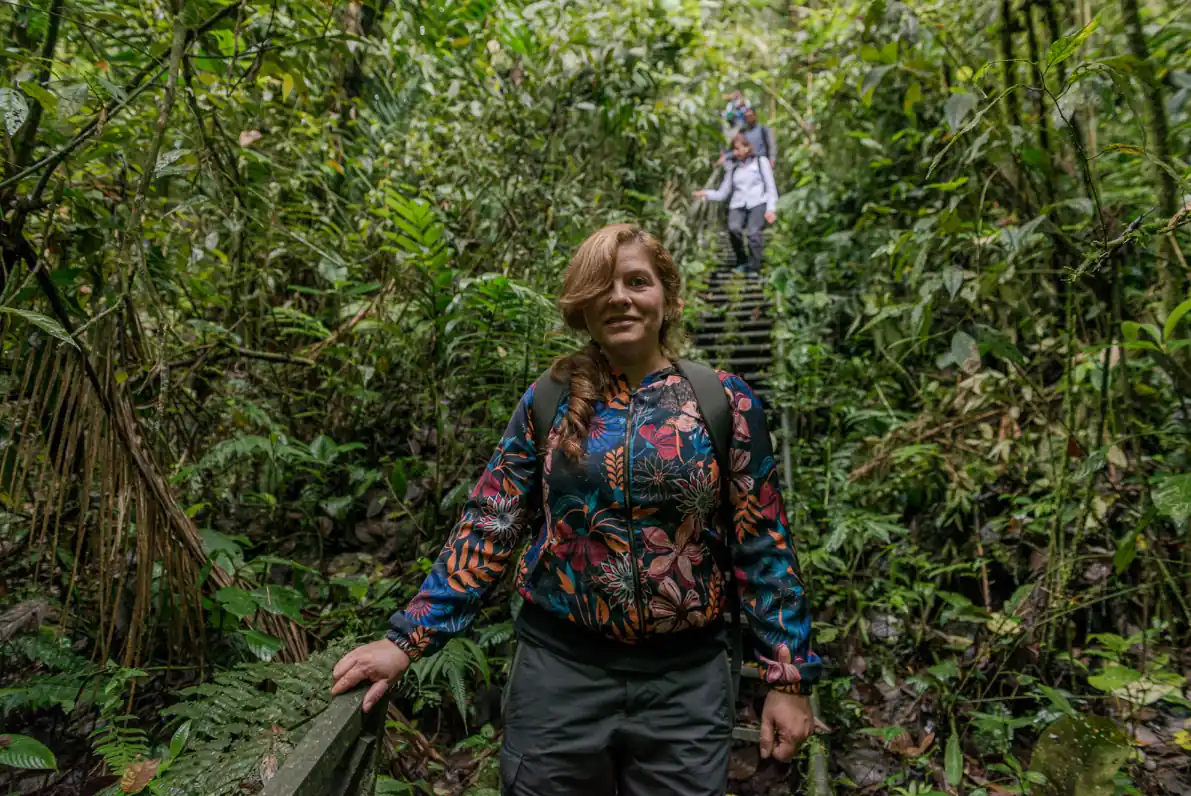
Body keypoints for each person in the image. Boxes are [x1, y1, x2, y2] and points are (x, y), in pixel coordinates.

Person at [330, 224, 820, 796]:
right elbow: (492, 521)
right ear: (581, 306)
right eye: (602, 286)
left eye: (637, 282)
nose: (620, 297)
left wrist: (789, 678)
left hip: (686, 682)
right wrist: (407, 639)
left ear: (668, 297)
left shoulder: (724, 401)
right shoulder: (549, 400)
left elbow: (763, 542)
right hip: (560, 673)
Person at [696, 133, 778, 275]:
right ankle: (742, 261)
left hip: (758, 201)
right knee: (733, 229)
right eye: (733, 149)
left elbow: (771, 186)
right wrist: (707, 194)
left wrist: (771, 208)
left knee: (753, 233)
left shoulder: (760, 161)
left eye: (738, 148)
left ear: (747, 148)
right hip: (738, 203)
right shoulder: (733, 167)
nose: (736, 152)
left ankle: (754, 268)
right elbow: (723, 192)